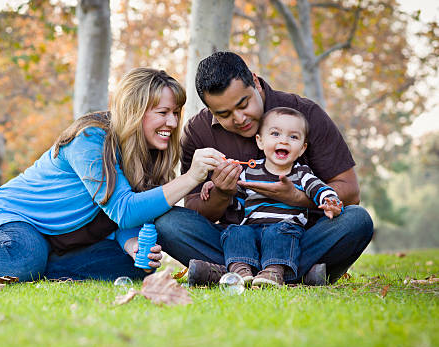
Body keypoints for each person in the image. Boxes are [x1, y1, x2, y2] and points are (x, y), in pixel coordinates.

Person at [0, 68, 225, 283]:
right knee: (25, 255)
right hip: (9, 222)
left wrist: (132, 245)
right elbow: (125, 209)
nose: (172, 123)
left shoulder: (147, 152)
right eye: (162, 112)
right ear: (135, 110)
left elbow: (124, 220)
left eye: (176, 113)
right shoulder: (92, 137)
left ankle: (32, 267)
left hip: (64, 241)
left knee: (135, 267)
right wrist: (192, 177)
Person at [154, 51, 374, 286]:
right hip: (235, 239)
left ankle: (228, 274)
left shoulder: (304, 114)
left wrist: (298, 198)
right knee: (166, 221)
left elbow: (350, 191)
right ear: (209, 108)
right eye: (224, 114)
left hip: (299, 238)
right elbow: (197, 210)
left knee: (357, 220)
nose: (239, 119)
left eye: (243, 104)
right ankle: (294, 275)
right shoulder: (198, 132)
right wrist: (221, 193)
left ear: (256, 82)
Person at [199, 107, 343, 287]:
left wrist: (331, 202)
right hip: (252, 230)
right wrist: (216, 186)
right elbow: (235, 198)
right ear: (260, 141)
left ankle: (274, 272)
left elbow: (320, 189)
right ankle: (241, 270)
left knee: (279, 232)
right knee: (236, 231)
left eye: (293, 137)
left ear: (302, 148)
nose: (284, 140)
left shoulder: (301, 173)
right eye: (275, 134)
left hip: (284, 230)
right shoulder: (249, 171)